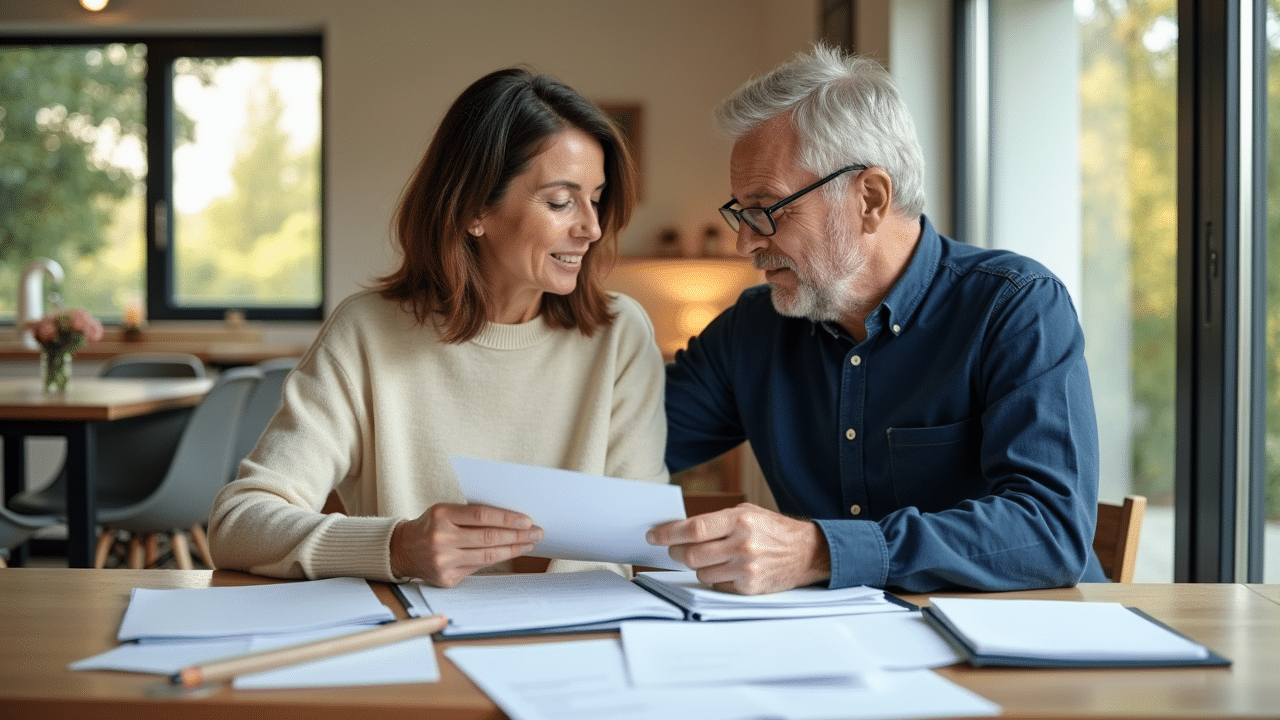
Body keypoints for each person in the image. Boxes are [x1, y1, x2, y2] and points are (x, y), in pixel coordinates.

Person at [647, 45, 1104, 595]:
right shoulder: (753, 330)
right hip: (844, 652)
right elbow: (628, 439)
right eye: (741, 213)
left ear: (869, 197)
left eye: (767, 209)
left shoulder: (1017, 307)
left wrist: (819, 551)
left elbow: (1049, 532)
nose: (745, 242)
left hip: (1017, 652)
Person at [210, 67, 667, 587]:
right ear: (475, 208)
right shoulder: (367, 333)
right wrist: (397, 546)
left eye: (597, 197)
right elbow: (238, 524)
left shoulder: (621, 335)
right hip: (417, 647)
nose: (592, 227)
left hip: (579, 645)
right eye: (561, 202)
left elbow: (640, 537)